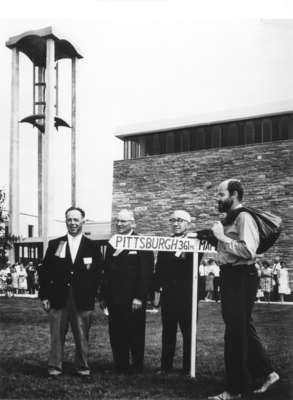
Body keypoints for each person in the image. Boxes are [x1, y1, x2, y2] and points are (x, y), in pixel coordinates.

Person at [207, 179, 279, 400]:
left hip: (241, 277)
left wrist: (220, 237)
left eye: (221, 194)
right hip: (231, 276)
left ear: (235, 194)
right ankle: (268, 373)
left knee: (235, 334)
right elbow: (231, 247)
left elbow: (249, 251)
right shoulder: (230, 219)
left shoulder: (244, 217)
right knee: (242, 328)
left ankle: (235, 389)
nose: (217, 198)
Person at [39, 206, 104, 377]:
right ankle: (55, 366)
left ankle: (82, 366)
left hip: (83, 300)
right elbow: (45, 271)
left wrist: (94, 293)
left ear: (83, 221)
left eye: (76, 219)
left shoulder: (92, 246)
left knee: (82, 335)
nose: (73, 223)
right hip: (58, 298)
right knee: (56, 335)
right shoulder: (55, 244)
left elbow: (99, 273)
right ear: (65, 221)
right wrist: (44, 296)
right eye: (69, 219)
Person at [100, 209, 153, 373]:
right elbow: (106, 271)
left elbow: (146, 273)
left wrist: (139, 297)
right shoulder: (112, 243)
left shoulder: (141, 242)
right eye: (118, 220)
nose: (119, 224)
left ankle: (136, 366)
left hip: (133, 299)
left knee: (135, 333)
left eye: (123, 221)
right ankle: (120, 365)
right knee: (116, 333)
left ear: (132, 223)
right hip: (114, 298)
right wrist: (103, 296)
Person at [154, 210, 199, 375]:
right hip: (169, 295)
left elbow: (192, 265)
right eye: (172, 220)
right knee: (168, 332)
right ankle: (166, 366)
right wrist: (157, 288)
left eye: (180, 220)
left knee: (188, 332)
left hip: (187, 295)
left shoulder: (194, 242)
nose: (176, 223)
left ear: (187, 223)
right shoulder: (166, 242)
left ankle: (188, 368)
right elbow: (159, 268)